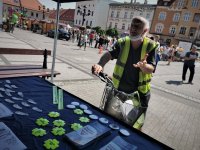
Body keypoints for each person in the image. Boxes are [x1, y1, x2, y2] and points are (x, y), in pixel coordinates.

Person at [92, 16, 159, 130]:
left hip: (139, 95)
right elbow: (109, 54)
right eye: (132, 25)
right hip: (119, 91)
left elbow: (151, 68)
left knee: (132, 127)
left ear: (145, 31)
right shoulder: (123, 42)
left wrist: (144, 66)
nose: (133, 28)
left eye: (137, 27)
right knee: (110, 121)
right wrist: (100, 64)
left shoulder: (150, 45)